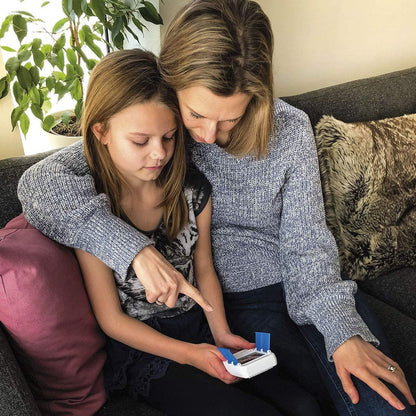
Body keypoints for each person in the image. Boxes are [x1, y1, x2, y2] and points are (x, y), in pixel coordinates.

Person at [18, 1, 415, 415]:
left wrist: (342, 331)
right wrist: (132, 250)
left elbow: (308, 247)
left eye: (230, 119)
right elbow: (38, 184)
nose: (207, 136)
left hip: (308, 288)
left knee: (382, 396)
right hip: (236, 304)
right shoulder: (160, 130)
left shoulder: (291, 130)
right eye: (197, 115)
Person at [50, 47, 322, 416]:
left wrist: (221, 331)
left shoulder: (193, 190)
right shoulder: (94, 210)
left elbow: (204, 267)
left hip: (200, 329)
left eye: (169, 137)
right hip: (149, 351)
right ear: (101, 132)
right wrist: (189, 355)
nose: (159, 154)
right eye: (140, 141)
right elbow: (111, 320)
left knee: (305, 406)